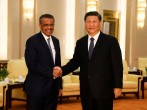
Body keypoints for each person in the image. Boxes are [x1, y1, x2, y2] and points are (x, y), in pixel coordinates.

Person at [53, 11, 123, 110]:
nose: (91, 24)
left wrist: (118, 86)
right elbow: (75, 62)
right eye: (88, 21)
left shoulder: (111, 41)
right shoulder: (80, 42)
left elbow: (117, 65)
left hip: (104, 89)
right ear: (85, 23)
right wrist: (61, 70)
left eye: (94, 21)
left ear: (100, 23)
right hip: (86, 90)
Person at [24, 14, 62, 110]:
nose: (49, 27)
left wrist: (59, 85)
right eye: (46, 25)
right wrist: (51, 72)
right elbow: (32, 64)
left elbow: (58, 64)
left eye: (51, 25)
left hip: (53, 89)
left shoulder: (56, 41)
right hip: (36, 89)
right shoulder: (32, 41)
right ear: (40, 26)